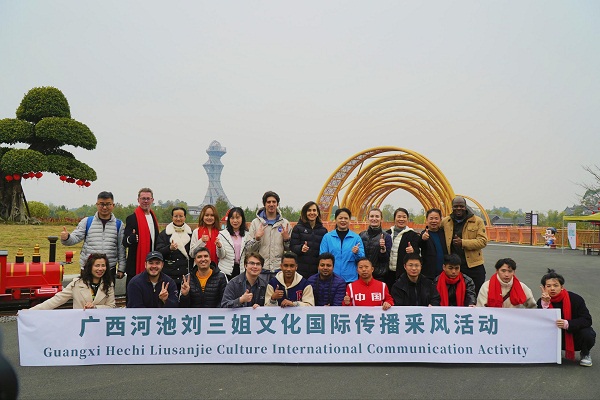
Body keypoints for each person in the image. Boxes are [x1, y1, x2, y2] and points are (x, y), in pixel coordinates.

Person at [60, 191, 125, 278]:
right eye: (101, 204)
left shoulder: (119, 225)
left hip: (109, 269)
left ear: (113, 205)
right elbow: (75, 238)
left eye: (108, 204)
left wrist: (121, 269)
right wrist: (67, 237)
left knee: (107, 288)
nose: (104, 207)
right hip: (88, 268)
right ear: (97, 205)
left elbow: (121, 248)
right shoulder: (87, 222)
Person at [538, 269, 595, 367]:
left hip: (572, 334)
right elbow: (539, 322)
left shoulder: (575, 299)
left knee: (588, 333)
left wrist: (568, 323)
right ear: (544, 288)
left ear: (562, 287)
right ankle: (553, 351)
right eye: (548, 286)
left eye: (556, 285)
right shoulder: (541, 301)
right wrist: (545, 304)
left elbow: (587, 320)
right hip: (554, 334)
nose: (552, 289)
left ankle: (585, 353)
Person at [30, 253, 115, 309]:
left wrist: (95, 307)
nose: (100, 269)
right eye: (97, 265)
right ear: (90, 267)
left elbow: (111, 307)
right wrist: (31, 311)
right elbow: (57, 300)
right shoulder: (77, 283)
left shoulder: (108, 284)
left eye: (103, 265)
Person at [441, 196, 488, 295]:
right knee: (456, 296)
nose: (458, 208)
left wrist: (463, 243)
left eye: (461, 206)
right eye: (456, 206)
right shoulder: (446, 222)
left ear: (465, 207)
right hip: (455, 268)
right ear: (452, 207)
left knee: (476, 294)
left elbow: (483, 241)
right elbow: (433, 229)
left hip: (473, 266)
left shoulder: (477, 221)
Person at [247, 191, 292, 281]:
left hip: (278, 269)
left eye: (274, 202)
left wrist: (287, 240)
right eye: (268, 202)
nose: (271, 204)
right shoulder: (256, 223)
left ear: (277, 204)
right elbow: (249, 249)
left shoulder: (285, 223)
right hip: (261, 269)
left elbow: (289, 249)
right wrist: (257, 238)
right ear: (264, 204)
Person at [122, 188, 160, 288]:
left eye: (148, 198)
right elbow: (124, 242)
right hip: (135, 265)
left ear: (152, 200)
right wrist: (131, 239)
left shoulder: (154, 218)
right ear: (138, 200)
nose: (145, 201)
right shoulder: (132, 218)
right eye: (143, 198)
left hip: (152, 264)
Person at [319, 207, 365, 283]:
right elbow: (322, 257)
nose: (343, 220)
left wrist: (357, 252)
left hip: (350, 279)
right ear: (335, 219)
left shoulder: (356, 238)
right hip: (331, 278)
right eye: (340, 218)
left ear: (349, 220)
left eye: (346, 218)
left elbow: (362, 259)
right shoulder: (327, 237)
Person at [155, 207, 192, 290]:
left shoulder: (191, 234)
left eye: (181, 216)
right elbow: (158, 253)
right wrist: (169, 248)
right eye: (176, 216)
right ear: (172, 217)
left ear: (185, 217)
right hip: (169, 274)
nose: (178, 219)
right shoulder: (164, 234)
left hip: (186, 274)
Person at [290, 201, 328, 279]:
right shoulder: (298, 228)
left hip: (316, 271)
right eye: (309, 210)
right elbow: (293, 246)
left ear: (317, 213)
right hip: (301, 270)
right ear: (305, 213)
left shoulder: (323, 231)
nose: (312, 213)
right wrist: (301, 248)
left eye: (314, 210)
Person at [386, 207, 420, 289]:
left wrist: (413, 250)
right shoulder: (387, 234)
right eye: (399, 217)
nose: (401, 219)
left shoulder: (413, 235)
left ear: (407, 219)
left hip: (403, 273)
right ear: (394, 218)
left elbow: (417, 252)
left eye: (404, 217)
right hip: (387, 272)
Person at [217, 207, 252, 280]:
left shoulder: (247, 235)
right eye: (232, 218)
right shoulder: (222, 235)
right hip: (226, 270)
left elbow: (249, 253)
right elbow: (221, 255)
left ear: (242, 219)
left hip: (242, 269)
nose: (235, 221)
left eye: (238, 217)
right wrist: (219, 247)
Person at [359, 208, 392, 282]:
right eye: (372, 216)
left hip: (379, 276)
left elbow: (386, 259)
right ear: (368, 218)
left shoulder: (386, 236)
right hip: (363, 274)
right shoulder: (361, 235)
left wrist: (383, 250)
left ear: (381, 219)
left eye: (377, 216)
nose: (374, 219)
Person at [419, 208, 446, 279]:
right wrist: (423, 239)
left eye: (436, 218)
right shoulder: (424, 234)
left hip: (444, 274)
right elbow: (420, 245)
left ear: (440, 220)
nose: (434, 221)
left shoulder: (444, 234)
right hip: (428, 274)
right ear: (427, 220)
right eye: (431, 218)